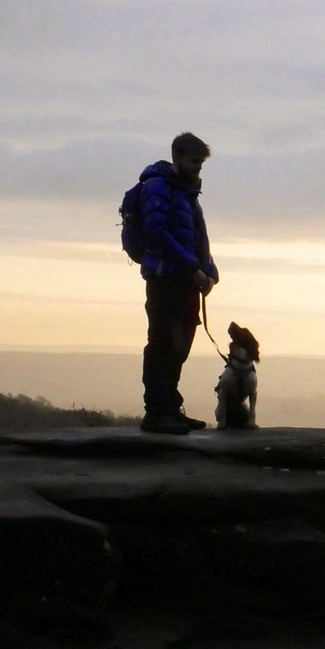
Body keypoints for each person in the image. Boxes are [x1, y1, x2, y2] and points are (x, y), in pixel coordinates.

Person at [135, 132, 219, 433]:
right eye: (195, 161)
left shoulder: (185, 192)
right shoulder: (158, 187)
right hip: (165, 280)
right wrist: (193, 268)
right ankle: (156, 413)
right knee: (162, 344)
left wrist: (210, 271)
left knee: (179, 345)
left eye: (201, 163)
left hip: (186, 281)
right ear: (178, 157)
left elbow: (198, 237)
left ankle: (170, 408)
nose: (199, 168)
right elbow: (157, 233)